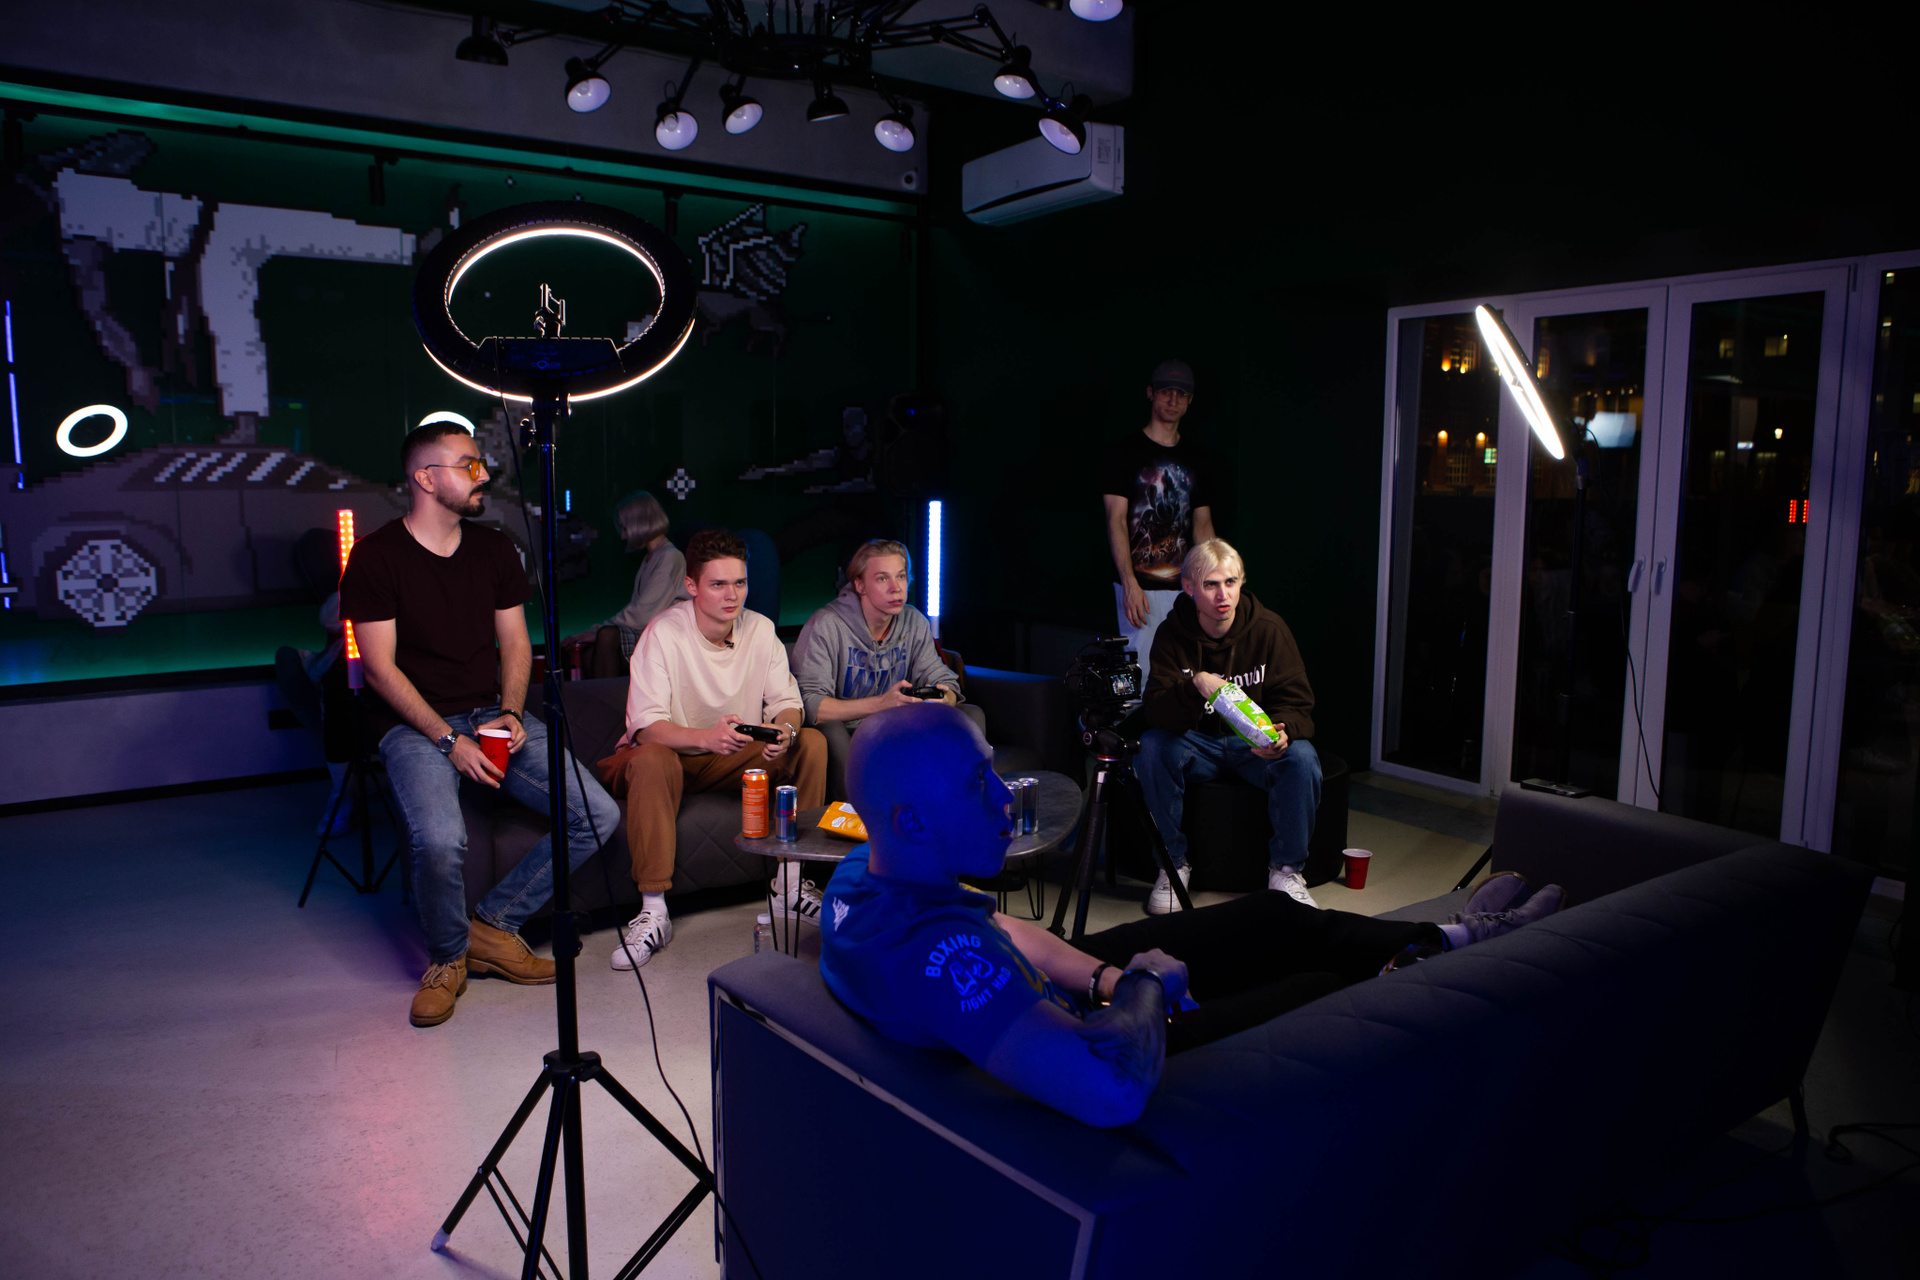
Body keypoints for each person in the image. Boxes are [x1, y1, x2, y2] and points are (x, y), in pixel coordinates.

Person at [818, 703, 1565, 1127]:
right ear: (911, 821)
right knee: (1313, 986)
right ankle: (1442, 957)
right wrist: (1144, 987)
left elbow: (1005, 929)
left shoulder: (863, 873)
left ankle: (1450, 934)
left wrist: (1111, 976)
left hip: (1097, 999)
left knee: (1272, 914)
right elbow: (1109, 1092)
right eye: (977, 783)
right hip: (1114, 1043)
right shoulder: (939, 961)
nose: (1003, 799)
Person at [341, 421, 623, 1028]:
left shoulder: (495, 549)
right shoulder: (375, 557)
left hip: (490, 715)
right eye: (469, 465)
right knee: (440, 841)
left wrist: (511, 712)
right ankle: (447, 959)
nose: (485, 475)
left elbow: (516, 643)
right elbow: (380, 670)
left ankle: (492, 927)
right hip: (413, 725)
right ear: (425, 478)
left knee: (596, 815)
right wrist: (448, 741)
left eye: (481, 464)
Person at [596, 528, 827, 970]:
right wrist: (706, 737)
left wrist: (784, 731)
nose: (732, 595)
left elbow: (788, 703)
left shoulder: (760, 629)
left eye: (739, 583)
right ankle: (653, 912)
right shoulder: (663, 632)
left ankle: (790, 884)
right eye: (718, 584)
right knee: (652, 759)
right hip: (667, 758)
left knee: (810, 742)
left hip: (730, 756)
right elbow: (646, 728)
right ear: (692, 586)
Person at [1137, 537, 1322, 912]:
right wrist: (1195, 685)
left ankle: (1286, 872)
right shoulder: (1172, 634)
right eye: (1210, 584)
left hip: (1253, 747)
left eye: (1230, 582)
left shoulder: (1269, 629)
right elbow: (1155, 713)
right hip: (1197, 744)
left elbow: (1299, 702)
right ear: (1189, 587)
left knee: (1302, 757)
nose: (1223, 595)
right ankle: (1172, 867)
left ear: (1241, 583)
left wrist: (1283, 730)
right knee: (1152, 747)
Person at [792, 538, 981, 801]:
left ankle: (959, 810)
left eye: (901, 576)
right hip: (848, 732)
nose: (896, 588)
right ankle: (859, 817)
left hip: (897, 727)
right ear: (860, 585)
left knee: (970, 714)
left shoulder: (914, 621)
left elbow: (941, 677)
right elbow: (811, 704)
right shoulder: (826, 625)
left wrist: (944, 698)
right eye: (882, 579)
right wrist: (880, 704)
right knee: (831, 732)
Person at [1100, 358, 1216, 665]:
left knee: (1189, 672)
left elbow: (1202, 525)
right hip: (1140, 588)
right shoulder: (1123, 453)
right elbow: (1116, 520)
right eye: (1166, 391)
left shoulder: (1198, 459)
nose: (1173, 400)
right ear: (1151, 393)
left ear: (1190, 400)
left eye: (1181, 394)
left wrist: (1214, 580)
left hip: (1187, 588)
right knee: (1142, 673)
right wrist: (1129, 583)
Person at [566, 490, 688, 659]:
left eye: (625, 528)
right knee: (591, 650)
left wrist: (599, 631)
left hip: (668, 637)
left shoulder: (669, 557)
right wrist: (596, 631)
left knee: (607, 637)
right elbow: (638, 609)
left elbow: (642, 614)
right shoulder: (652, 557)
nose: (623, 536)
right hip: (652, 630)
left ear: (639, 524)